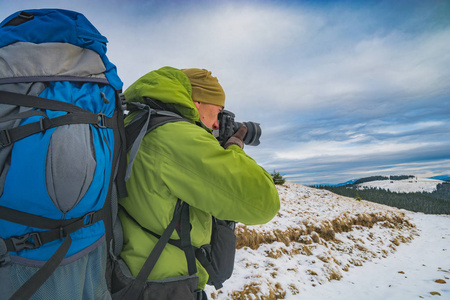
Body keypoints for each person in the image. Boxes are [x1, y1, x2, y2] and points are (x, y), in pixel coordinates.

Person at [117, 66, 280, 299]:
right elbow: (264, 202)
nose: (217, 124)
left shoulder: (139, 123)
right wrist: (234, 147)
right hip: (163, 286)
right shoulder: (175, 136)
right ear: (197, 103)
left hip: (133, 274)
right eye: (218, 111)